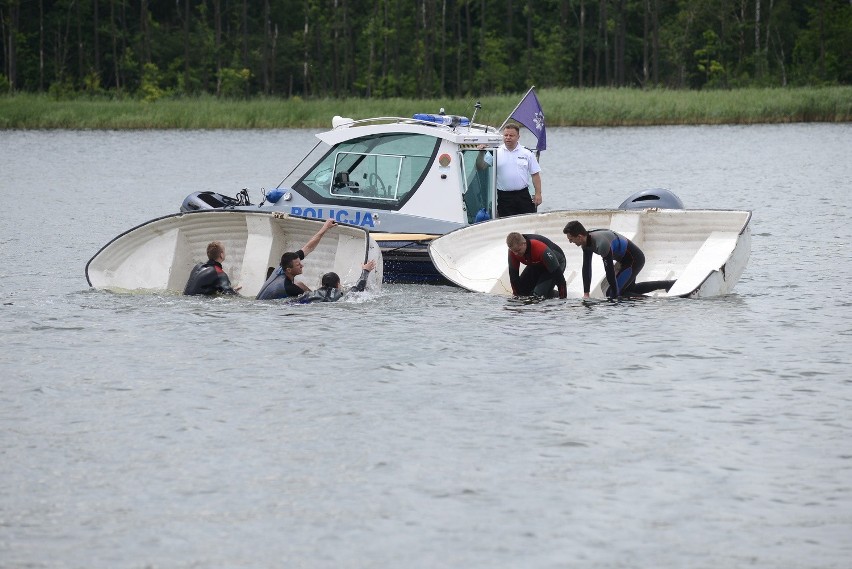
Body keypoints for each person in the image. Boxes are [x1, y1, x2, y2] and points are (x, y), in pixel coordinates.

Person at [562, 220, 675, 299]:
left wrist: (615, 294)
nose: (570, 242)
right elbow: (586, 267)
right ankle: (668, 284)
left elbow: (609, 270)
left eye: (571, 239)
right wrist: (586, 293)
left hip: (634, 259)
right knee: (630, 289)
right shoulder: (586, 243)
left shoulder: (601, 244)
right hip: (624, 261)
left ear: (580, 237)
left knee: (612, 293)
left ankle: (651, 302)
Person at [256, 218, 337, 300]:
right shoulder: (289, 288)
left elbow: (308, 247)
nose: (302, 265)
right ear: (289, 270)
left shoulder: (282, 266)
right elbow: (313, 299)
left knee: (300, 284)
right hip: (266, 307)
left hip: (265, 297)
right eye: (298, 265)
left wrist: (325, 227)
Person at [476, 123, 542, 217]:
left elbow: (535, 174)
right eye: (506, 135)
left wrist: (538, 194)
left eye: (511, 135)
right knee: (506, 226)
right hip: (504, 197)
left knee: (527, 224)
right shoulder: (495, 152)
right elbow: (480, 167)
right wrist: (481, 153)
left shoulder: (527, 153)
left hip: (523, 195)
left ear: (518, 137)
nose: (508, 137)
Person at [506, 232, 567, 299]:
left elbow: (559, 277)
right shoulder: (513, 252)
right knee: (522, 293)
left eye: (518, 250)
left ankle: (553, 294)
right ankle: (548, 292)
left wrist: (563, 299)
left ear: (524, 244)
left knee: (537, 296)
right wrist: (516, 297)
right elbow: (514, 277)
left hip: (556, 262)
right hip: (537, 264)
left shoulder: (539, 248)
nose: (516, 254)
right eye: (513, 251)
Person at [295, 260, 377, 303]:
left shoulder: (310, 295)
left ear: (322, 284)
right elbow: (358, 287)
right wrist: (365, 270)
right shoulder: (341, 295)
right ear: (338, 285)